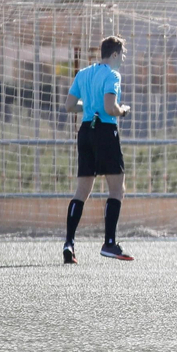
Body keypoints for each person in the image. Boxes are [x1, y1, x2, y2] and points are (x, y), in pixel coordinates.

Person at [63, 35, 133, 263]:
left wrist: (90, 106)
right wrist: (123, 110)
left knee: (81, 192)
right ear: (114, 54)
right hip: (105, 131)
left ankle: (69, 243)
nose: (123, 59)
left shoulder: (83, 73)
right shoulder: (112, 75)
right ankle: (109, 244)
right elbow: (109, 107)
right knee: (117, 189)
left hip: (85, 131)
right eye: (122, 54)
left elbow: (70, 105)